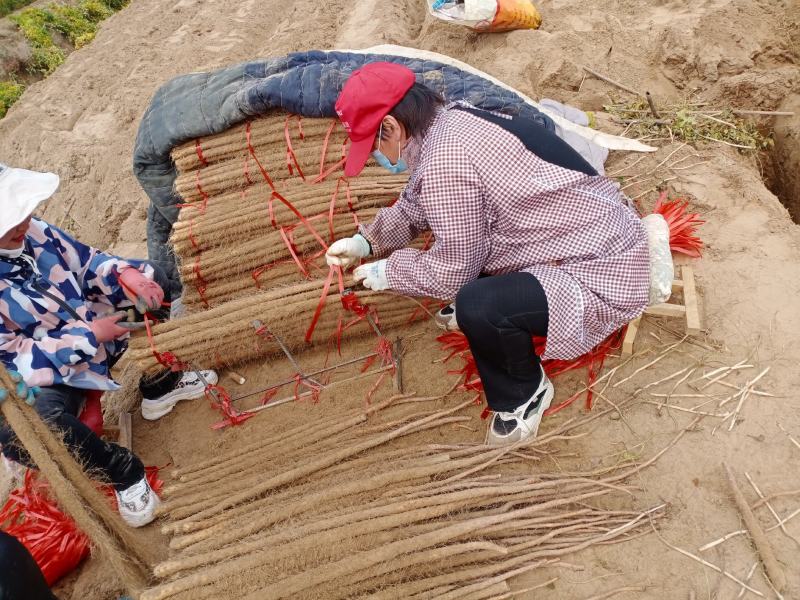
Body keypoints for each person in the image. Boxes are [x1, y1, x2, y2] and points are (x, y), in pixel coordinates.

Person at [326, 63, 649, 446]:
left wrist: (390, 271)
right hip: (588, 230)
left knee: (477, 304)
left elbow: (452, 272)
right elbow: (418, 203)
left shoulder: (445, 162)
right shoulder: (451, 121)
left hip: (602, 267)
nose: (376, 153)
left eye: (374, 143)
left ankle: (524, 395)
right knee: (466, 258)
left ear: (393, 127)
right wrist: (367, 241)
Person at [0, 164, 217, 526]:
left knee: (154, 282)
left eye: (23, 211)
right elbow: (15, 357)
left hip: (101, 331)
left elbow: (86, 262)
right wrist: (87, 337)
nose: (23, 222)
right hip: (53, 376)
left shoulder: (34, 231)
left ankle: (159, 385)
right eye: (10, 220)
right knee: (32, 430)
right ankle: (122, 472)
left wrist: (124, 275)